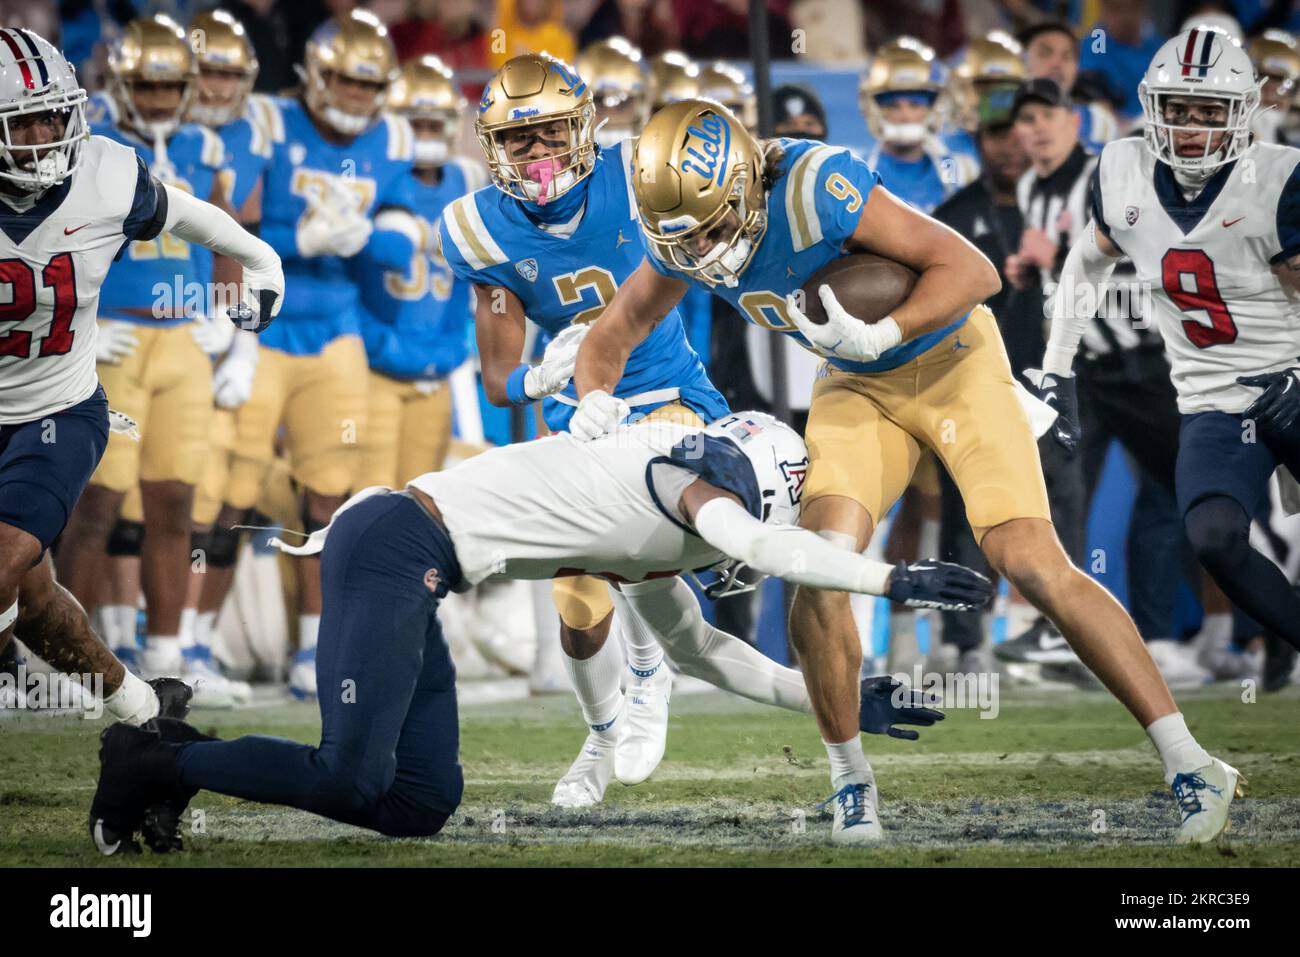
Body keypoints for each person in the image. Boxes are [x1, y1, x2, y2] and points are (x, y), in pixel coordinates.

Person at [571, 97, 1240, 845]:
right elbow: (614, 331)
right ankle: (851, 783)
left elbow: (974, 270)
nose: (704, 252)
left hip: (953, 360)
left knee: (1030, 560)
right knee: (818, 569)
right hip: (856, 385)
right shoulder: (684, 233)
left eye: (715, 227)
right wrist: (594, 397)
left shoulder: (812, 184)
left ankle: (1191, 761)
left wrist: (884, 328)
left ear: (742, 181)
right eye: (686, 239)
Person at [87, 412, 986, 855]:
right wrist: (892, 578)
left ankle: (171, 752)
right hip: (394, 547)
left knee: (416, 803)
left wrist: (830, 699)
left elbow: (701, 651)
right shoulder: (680, 483)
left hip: (420, 570)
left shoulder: (668, 518)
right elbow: (757, 542)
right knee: (350, 774)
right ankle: (155, 760)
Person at [439, 52, 728, 805]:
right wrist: (539, 378)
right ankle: (599, 734)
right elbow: (498, 381)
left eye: (552, 134)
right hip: (578, 418)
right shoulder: (480, 228)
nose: (538, 155)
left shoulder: (637, 173)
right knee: (576, 602)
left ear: (586, 128)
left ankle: (647, 671)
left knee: (643, 533)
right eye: (519, 140)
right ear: (492, 147)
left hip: (668, 395)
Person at [0, 26, 281, 725]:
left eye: (53, 114)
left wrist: (262, 266)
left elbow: (193, 217)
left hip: (54, 410)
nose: (44, 134)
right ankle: (146, 710)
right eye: (23, 120)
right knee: (31, 596)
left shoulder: (106, 173)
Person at [1029, 25, 1300, 689]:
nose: (1191, 127)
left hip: (1292, 377)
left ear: (1241, 114)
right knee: (1212, 534)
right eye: (1178, 109)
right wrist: (1057, 368)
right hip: (1211, 395)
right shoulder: (1122, 170)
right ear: (1154, 108)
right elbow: (1084, 263)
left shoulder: (1277, 180)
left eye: (1210, 112)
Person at [201, 11, 424, 701]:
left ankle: (315, 647)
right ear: (315, 76)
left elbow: (404, 236)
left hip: (336, 330)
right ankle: (187, 640)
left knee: (331, 498)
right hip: (260, 330)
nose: (358, 99)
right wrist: (301, 239)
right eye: (346, 84)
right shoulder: (267, 121)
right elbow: (228, 217)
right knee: (228, 492)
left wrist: (365, 238)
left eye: (368, 86)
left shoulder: (392, 136)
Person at [54, 15, 244, 706]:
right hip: (117, 338)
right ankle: (66, 658)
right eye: (147, 86)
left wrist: (228, 316)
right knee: (96, 505)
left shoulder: (205, 143)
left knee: (176, 503)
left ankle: (165, 654)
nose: (161, 101)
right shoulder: (92, 141)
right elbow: (59, 230)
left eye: (171, 87)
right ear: (120, 81)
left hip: (183, 337)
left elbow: (223, 233)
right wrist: (81, 319)